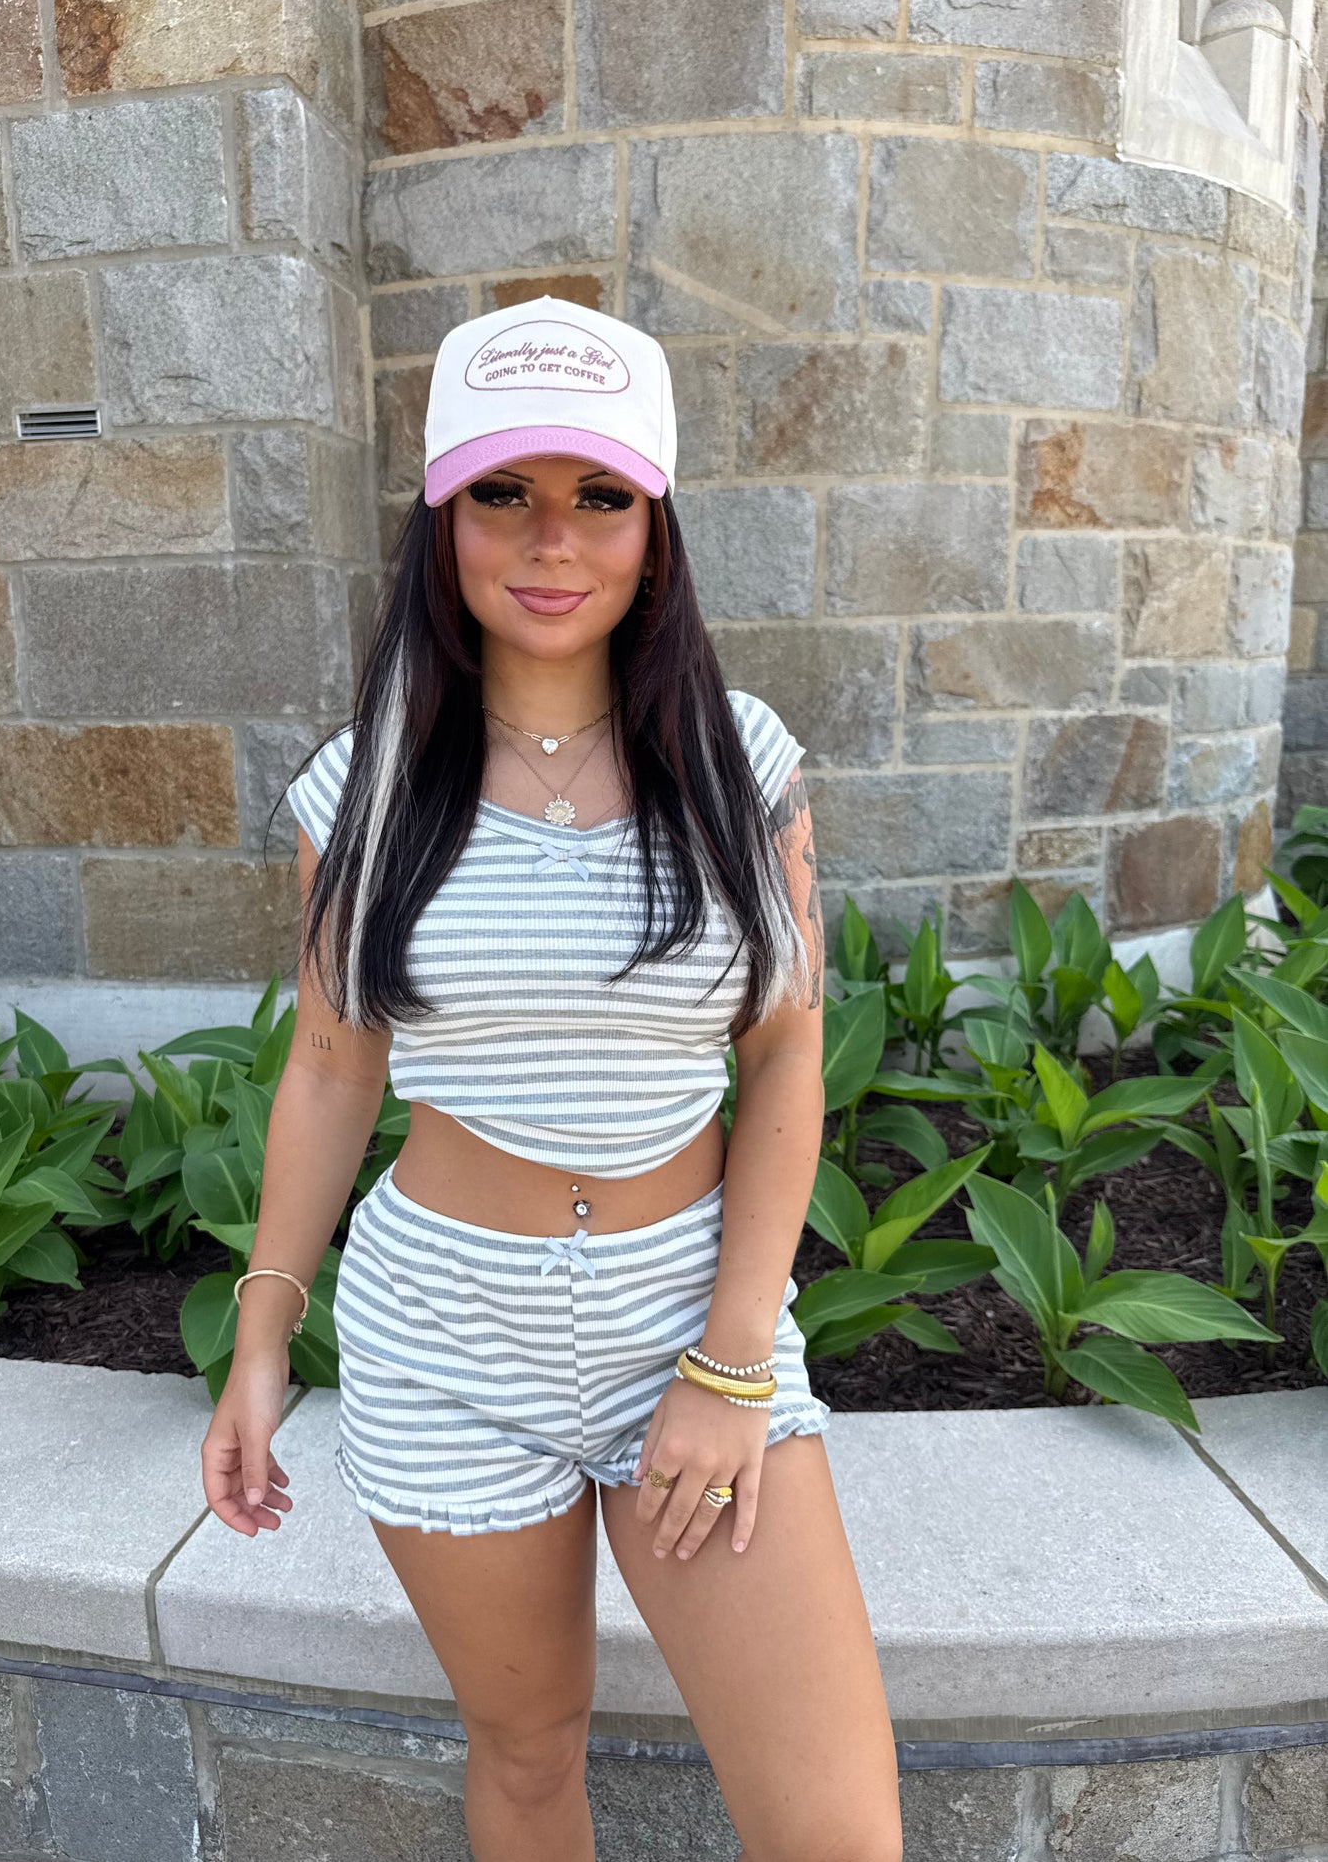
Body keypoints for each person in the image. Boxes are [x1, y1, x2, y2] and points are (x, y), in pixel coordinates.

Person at [201, 296, 901, 1862]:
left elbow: (784, 1052)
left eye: (599, 496)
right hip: (444, 1337)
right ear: (441, 518)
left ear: (655, 527)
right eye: (502, 491)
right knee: (526, 1758)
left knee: (835, 1835)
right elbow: (331, 1069)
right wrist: (261, 1338)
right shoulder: (361, 788)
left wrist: (730, 1363)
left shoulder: (741, 761)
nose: (551, 539)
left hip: (687, 1311)